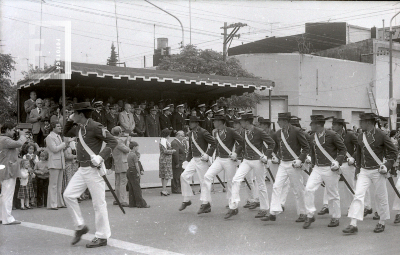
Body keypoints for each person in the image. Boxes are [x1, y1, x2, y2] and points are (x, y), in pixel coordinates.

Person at [63, 102, 118, 248]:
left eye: (74, 113)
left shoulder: (95, 126)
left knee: (98, 204)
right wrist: (69, 120)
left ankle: (102, 236)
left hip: (94, 169)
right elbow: (65, 132)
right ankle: (80, 226)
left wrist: (101, 156)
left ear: (81, 114)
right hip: (82, 169)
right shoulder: (78, 128)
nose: (72, 115)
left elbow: (113, 141)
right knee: (68, 195)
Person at [343, 113, 398, 234]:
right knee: (358, 195)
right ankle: (353, 224)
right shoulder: (360, 136)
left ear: (368, 122)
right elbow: (358, 152)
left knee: (381, 196)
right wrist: (357, 169)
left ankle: (382, 222)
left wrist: (387, 166)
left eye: (361, 121)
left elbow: (393, 152)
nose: (360, 124)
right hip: (364, 170)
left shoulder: (381, 135)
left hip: (378, 170)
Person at [261, 112, 309, 223]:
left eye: (280, 120)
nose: (278, 122)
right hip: (283, 163)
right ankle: (273, 212)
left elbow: (306, 147)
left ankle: (303, 212)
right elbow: (275, 147)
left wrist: (300, 159)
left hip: (294, 163)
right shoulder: (278, 133)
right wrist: (274, 156)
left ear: (286, 121)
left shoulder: (297, 131)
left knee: (298, 189)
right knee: (276, 186)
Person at [225, 113, 275, 219]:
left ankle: (264, 208)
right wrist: (236, 153)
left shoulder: (259, 131)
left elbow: (271, 143)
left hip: (258, 160)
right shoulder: (243, 132)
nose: (240, 123)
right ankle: (233, 206)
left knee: (261, 184)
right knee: (236, 179)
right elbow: (241, 145)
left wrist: (266, 155)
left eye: (242, 121)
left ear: (247, 122)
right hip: (246, 160)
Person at [303, 115, 347, 229]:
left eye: (312, 124)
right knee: (308, 189)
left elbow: (343, 149)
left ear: (318, 124)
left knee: (332, 194)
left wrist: (338, 162)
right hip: (317, 168)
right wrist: (310, 160)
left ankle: (335, 217)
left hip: (330, 167)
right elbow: (312, 151)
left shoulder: (332, 135)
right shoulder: (313, 136)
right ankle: (310, 214)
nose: (310, 126)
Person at [198, 114, 244, 215]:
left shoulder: (231, 131)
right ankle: (206, 203)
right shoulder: (215, 132)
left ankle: (233, 207)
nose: (213, 122)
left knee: (230, 183)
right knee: (207, 176)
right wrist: (208, 155)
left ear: (221, 122)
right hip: (219, 159)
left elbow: (242, 142)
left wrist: (236, 153)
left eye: (215, 121)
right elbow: (214, 145)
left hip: (229, 159)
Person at [318, 118, 358, 216]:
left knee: (348, 187)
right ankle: (326, 205)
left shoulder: (350, 135)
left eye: (335, 124)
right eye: (333, 124)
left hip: (347, 163)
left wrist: (353, 158)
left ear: (340, 126)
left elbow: (359, 147)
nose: (333, 126)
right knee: (329, 184)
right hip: (335, 163)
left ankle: (351, 207)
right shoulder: (330, 135)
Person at [178, 116, 216, 211]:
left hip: (202, 159)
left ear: (197, 123)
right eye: (189, 122)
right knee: (184, 176)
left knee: (204, 181)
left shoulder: (203, 132)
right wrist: (187, 160)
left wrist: (208, 154)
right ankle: (187, 200)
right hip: (194, 159)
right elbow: (191, 148)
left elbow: (214, 143)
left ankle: (205, 203)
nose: (189, 124)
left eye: (191, 122)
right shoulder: (190, 133)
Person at [0, 121, 27, 225]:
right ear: (6, 130)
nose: (14, 132)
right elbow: (19, 143)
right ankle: (8, 218)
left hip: (4, 169)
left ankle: (2, 217)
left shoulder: (3, 139)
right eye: (12, 130)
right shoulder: (5, 139)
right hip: (9, 170)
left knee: (3, 194)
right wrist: (23, 135)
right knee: (8, 194)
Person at [46, 122, 66, 210]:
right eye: (58, 126)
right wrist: (64, 144)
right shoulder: (50, 137)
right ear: (53, 128)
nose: (60, 128)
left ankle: (59, 202)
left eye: (60, 126)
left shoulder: (58, 137)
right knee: (53, 184)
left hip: (60, 162)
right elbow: (54, 149)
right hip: (54, 163)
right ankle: (52, 204)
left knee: (59, 185)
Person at [111, 126, 130, 207]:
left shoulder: (113, 140)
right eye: (121, 132)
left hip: (117, 162)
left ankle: (117, 199)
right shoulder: (119, 141)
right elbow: (127, 150)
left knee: (118, 182)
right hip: (122, 163)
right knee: (123, 182)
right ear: (119, 133)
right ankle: (122, 200)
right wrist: (128, 142)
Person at [127, 141, 149, 208]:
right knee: (137, 188)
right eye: (137, 147)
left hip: (129, 171)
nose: (138, 148)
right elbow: (137, 165)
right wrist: (139, 173)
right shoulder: (134, 155)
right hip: (134, 171)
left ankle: (132, 203)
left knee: (131, 188)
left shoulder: (129, 154)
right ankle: (140, 203)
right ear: (134, 147)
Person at [159, 128, 176, 196]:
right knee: (166, 175)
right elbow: (165, 151)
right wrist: (173, 151)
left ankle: (164, 189)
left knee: (163, 175)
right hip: (166, 160)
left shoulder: (163, 140)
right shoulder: (164, 141)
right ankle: (164, 190)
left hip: (163, 159)